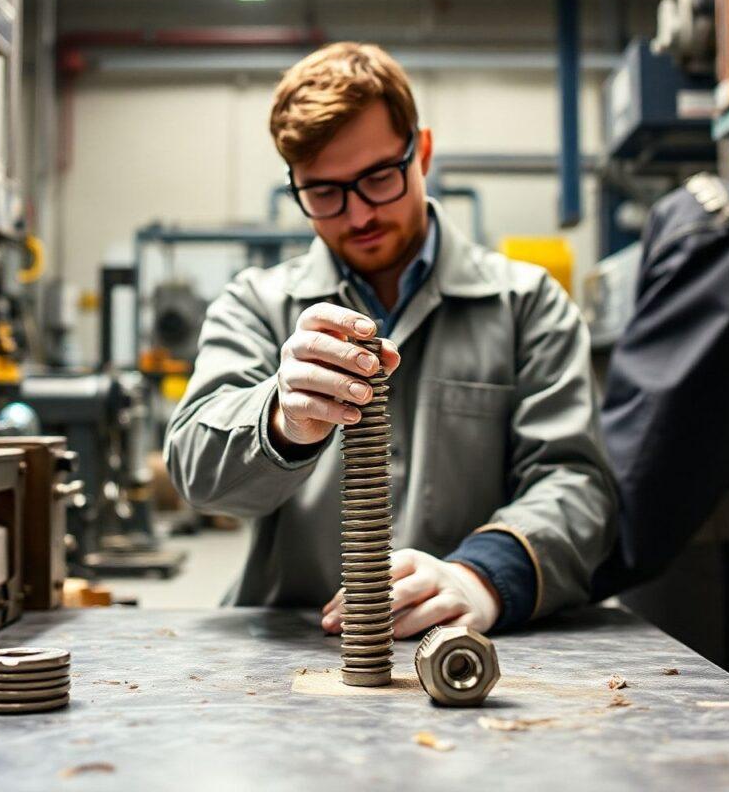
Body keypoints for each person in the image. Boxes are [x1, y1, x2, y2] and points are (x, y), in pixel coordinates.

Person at [165, 41, 616, 637]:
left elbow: (576, 485)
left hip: (476, 645)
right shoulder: (257, 305)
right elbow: (197, 472)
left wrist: (482, 577)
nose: (357, 217)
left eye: (378, 177)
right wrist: (281, 421)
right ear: (294, 185)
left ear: (421, 150)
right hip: (296, 647)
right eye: (324, 193)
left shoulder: (527, 305)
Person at [590, 173, 729, 716]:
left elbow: (645, 486)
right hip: (703, 576)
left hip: (720, 586)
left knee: (728, 747)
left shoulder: (715, 242)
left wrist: (516, 567)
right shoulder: (711, 230)